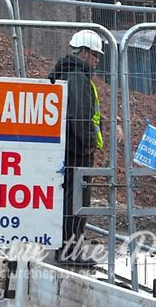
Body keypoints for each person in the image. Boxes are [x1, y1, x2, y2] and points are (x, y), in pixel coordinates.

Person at [48, 29, 106, 266]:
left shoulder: (69, 75)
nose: (97, 60)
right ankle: (69, 252)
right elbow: (79, 118)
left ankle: (67, 249)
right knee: (77, 203)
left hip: (70, 149)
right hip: (78, 151)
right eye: (94, 55)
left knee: (71, 201)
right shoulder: (77, 78)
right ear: (83, 53)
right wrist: (90, 144)